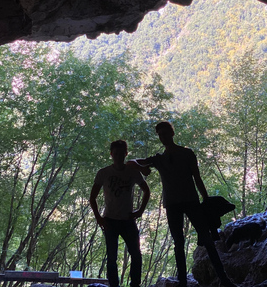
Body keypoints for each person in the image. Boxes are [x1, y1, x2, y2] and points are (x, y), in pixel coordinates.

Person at [127, 121, 236, 287]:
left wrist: (205, 199)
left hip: (191, 201)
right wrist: (142, 168)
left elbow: (197, 177)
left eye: (165, 133)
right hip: (172, 204)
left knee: (206, 240)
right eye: (160, 135)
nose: (163, 137)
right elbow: (130, 162)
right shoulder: (159, 159)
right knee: (179, 243)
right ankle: (184, 283)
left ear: (172, 133)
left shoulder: (186, 154)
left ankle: (224, 280)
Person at [89, 140, 151, 287]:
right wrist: (98, 218)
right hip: (110, 220)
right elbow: (92, 198)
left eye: (121, 153)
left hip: (128, 219)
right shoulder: (104, 173)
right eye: (115, 153)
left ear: (125, 154)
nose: (118, 156)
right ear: (111, 154)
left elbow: (146, 191)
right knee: (111, 258)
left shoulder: (132, 172)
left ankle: (135, 284)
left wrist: (140, 211)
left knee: (136, 255)